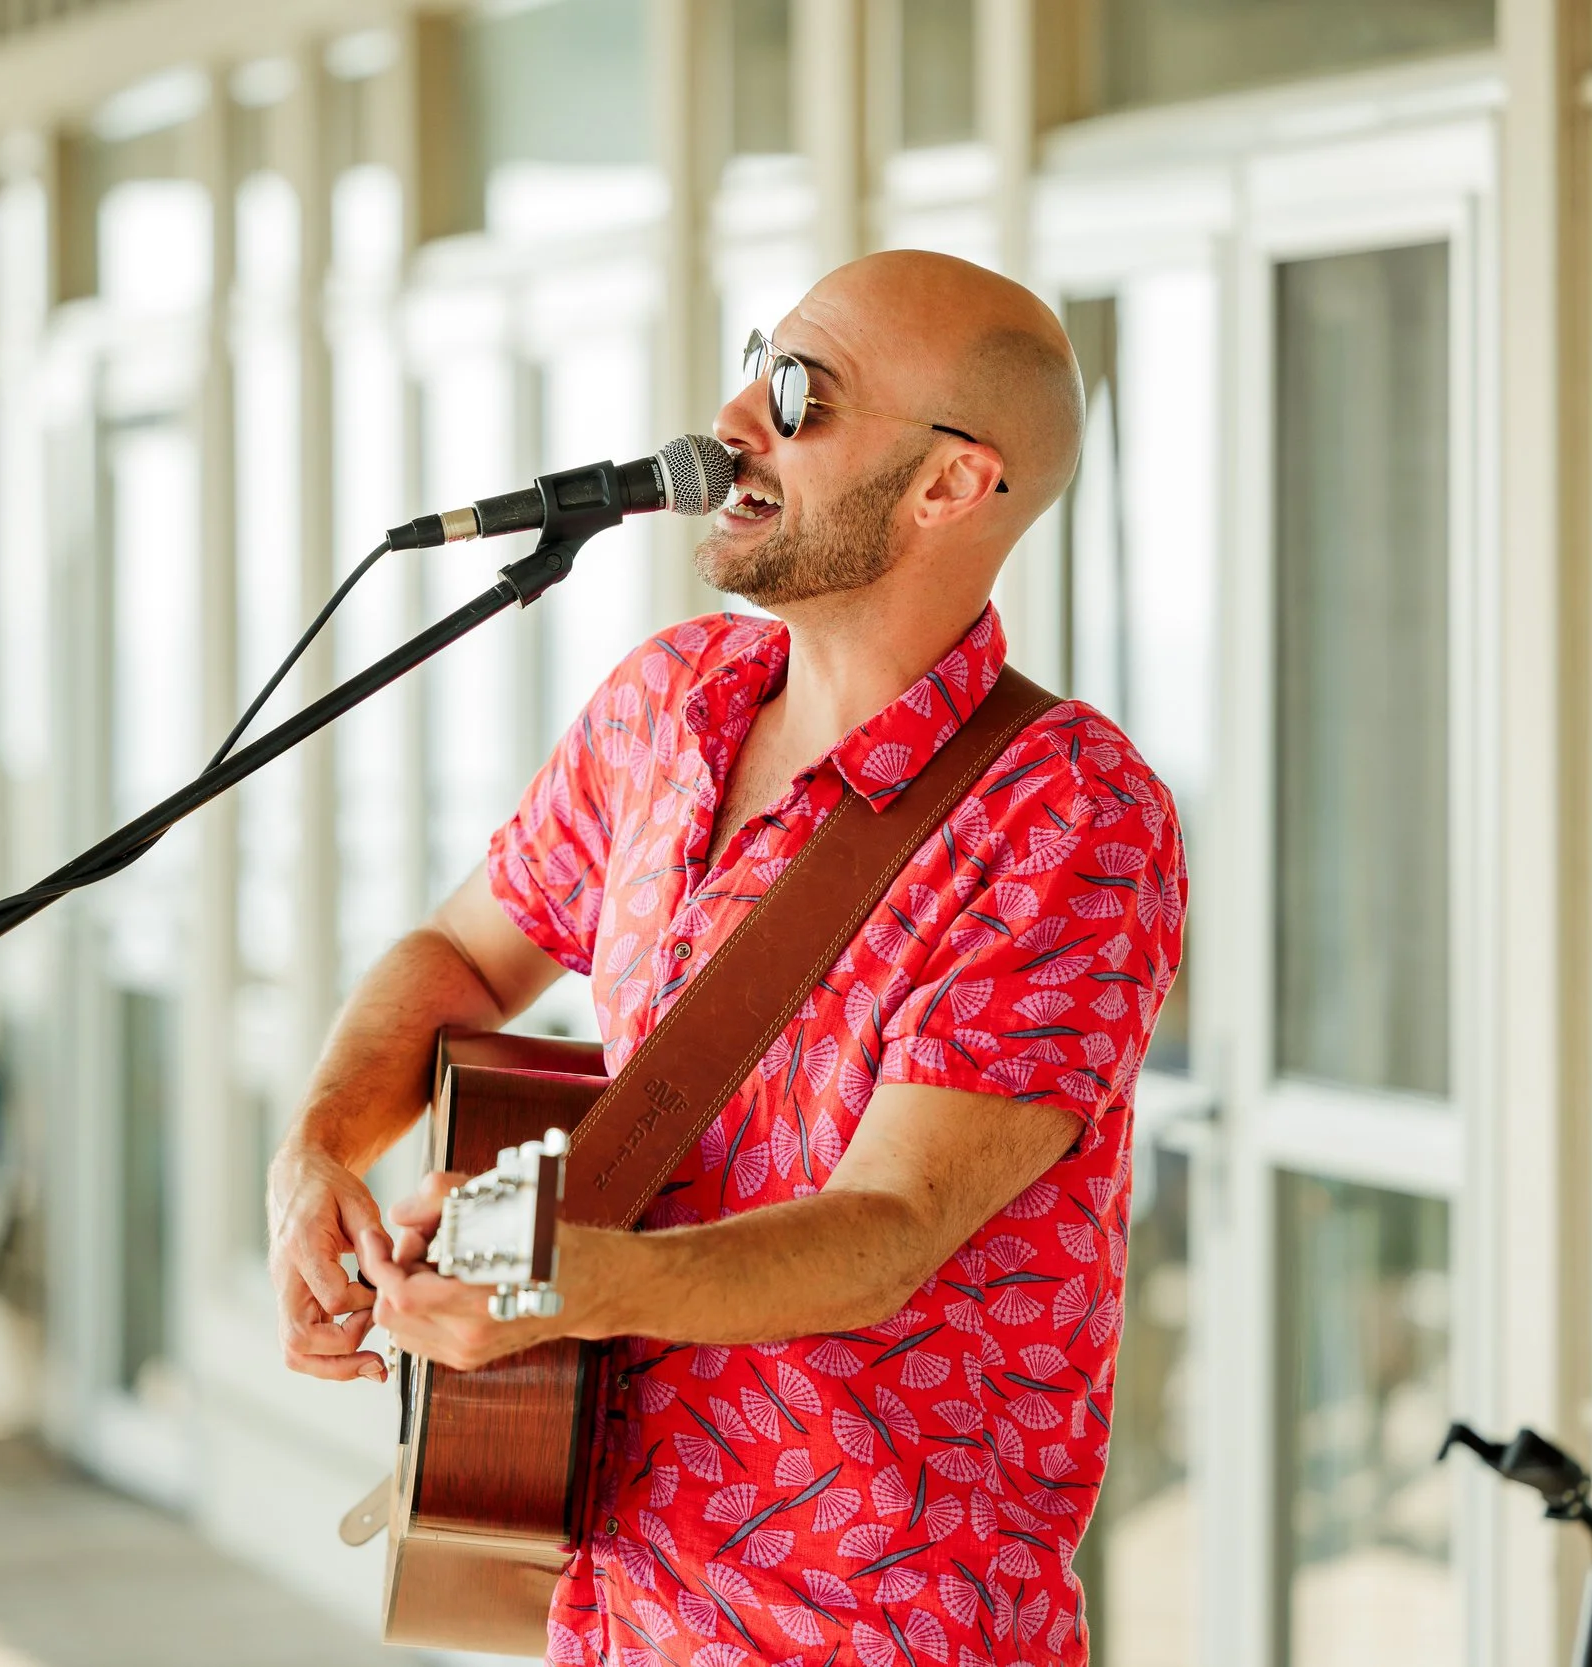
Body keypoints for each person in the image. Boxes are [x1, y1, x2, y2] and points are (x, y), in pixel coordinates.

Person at [268, 250, 1188, 1666]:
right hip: (611, 1607)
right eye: (757, 362)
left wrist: (570, 1283)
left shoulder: (1068, 816)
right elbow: (461, 951)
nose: (731, 420)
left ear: (951, 484)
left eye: (800, 393)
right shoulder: (668, 702)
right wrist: (321, 1144)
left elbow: (883, 1231)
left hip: (885, 1628)